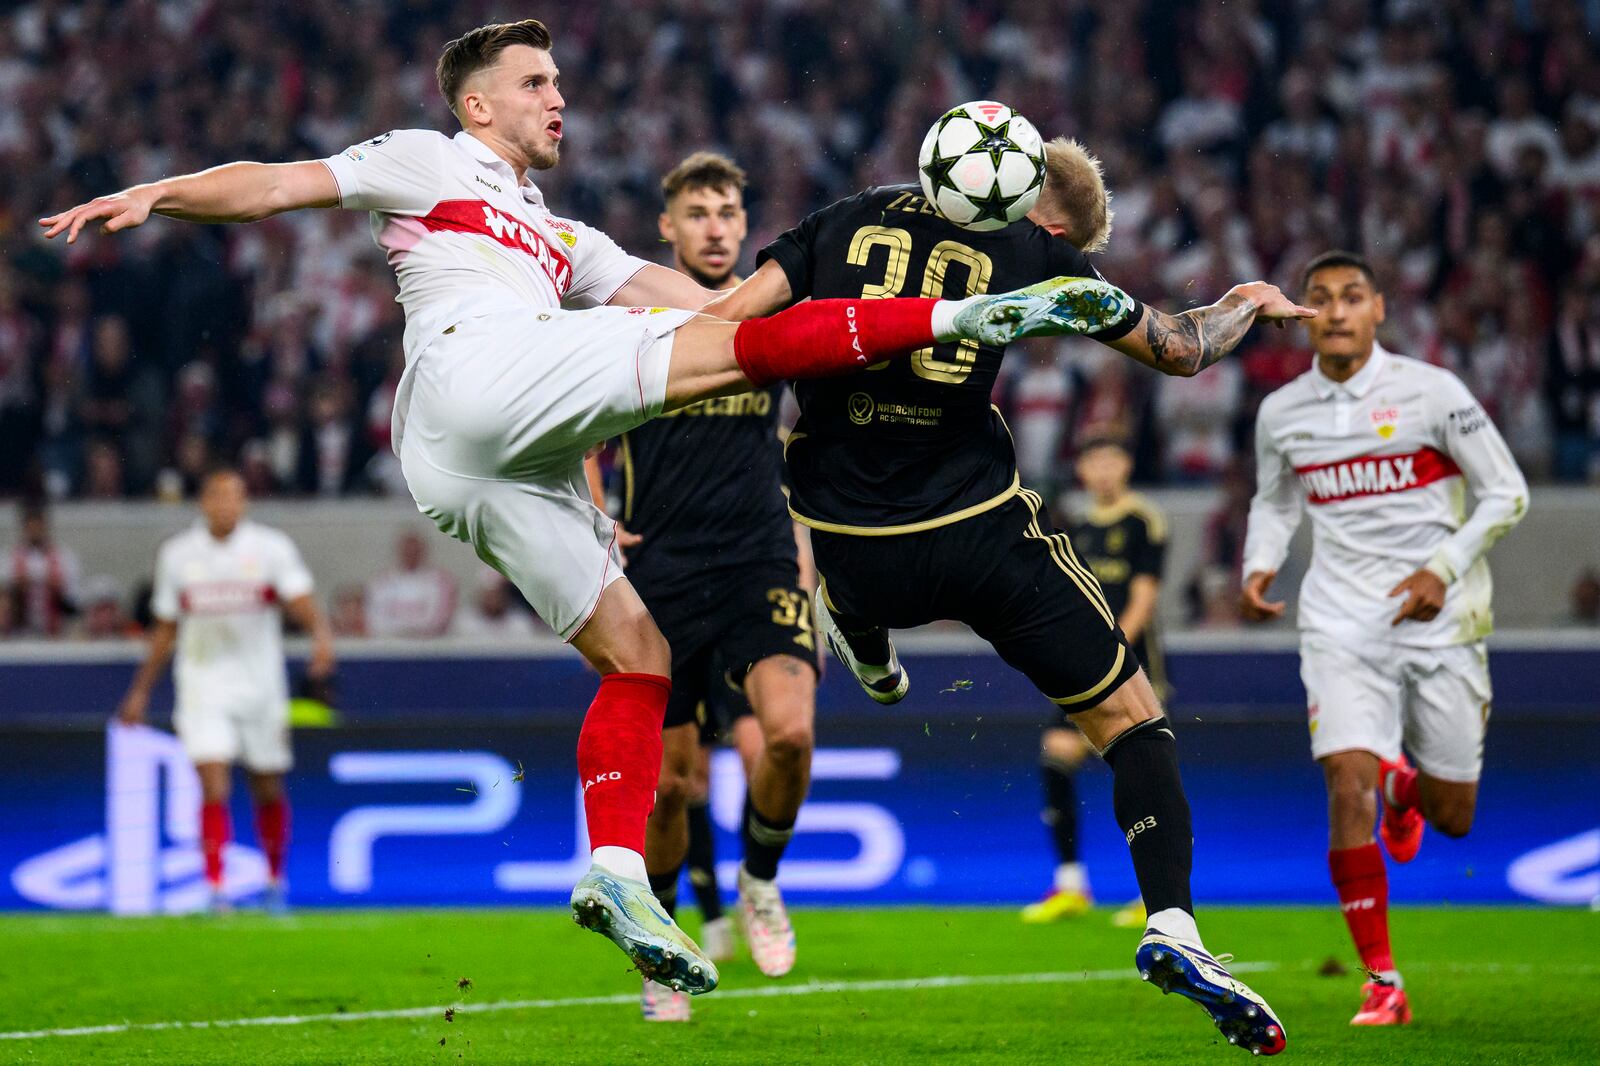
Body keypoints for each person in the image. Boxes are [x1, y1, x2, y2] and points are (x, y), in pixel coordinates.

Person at [42, 20, 1132, 995]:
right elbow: (279, 183)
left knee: (637, 653)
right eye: (535, 82)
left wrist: (807, 300)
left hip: (479, 464)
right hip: (477, 372)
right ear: (478, 105)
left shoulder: (562, 240)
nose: (557, 96)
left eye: (558, 80)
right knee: (743, 364)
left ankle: (614, 871)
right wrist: (162, 193)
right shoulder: (428, 161)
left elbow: (718, 309)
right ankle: (983, 312)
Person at [708, 136, 1313, 1055]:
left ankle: (861, 632)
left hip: (850, 536)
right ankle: (1174, 925)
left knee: (854, 560)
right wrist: (1243, 302)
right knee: (1131, 719)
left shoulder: (844, 219)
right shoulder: (1038, 257)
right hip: (980, 534)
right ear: (1043, 213)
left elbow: (731, 325)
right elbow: (1185, 349)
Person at [1241, 250, 1529, 1027]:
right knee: (1344, 783)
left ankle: (1408, 792)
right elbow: (1274, 502)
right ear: (1303, 315)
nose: (1335, 311)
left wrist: (1442, 566)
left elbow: (1508, 491)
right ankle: (1383, 980)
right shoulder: (1282, 412)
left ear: (1378, 313)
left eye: (1352, 298)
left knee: (1454, 815)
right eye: (1321, 299)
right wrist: (1261, 563)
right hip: (1338, 618)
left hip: (1442, 618)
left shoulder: (1432, 394)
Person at [586, 152, 819, 1021]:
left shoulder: (768, 308)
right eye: (699, 214)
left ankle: (759, 880)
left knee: (789, 736)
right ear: (669, 229)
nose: (716, 227)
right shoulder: (633, 317)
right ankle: (662, 945)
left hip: (760, 557)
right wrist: (596, 512)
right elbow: (581, 429)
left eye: (728, 211)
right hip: (665, 570)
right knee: (675, 784)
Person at [116, 468, 335, 913]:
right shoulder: (178, 554)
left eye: (234, 496)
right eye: (218, 496)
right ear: (204, 502)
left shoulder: (270, 547)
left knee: (267, 785)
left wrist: (321, 636)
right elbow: (165, 627)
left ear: (245, 503)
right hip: (202, 684)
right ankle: (216, 890)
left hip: (260, 685)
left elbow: (299, 597)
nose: (226, 505)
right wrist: (140, 691)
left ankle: (274, 881)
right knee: (213, 783)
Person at [1021, 435, 1166, 930]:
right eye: (1093, 460)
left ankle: (1157, 895)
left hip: (1131, 666)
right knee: (1055, 759)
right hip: (1082, 667)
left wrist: (1116, 647)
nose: (1102, 470)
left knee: (1140, 772)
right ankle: (1070, 882)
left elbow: (1144, 596)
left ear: (1126, 465)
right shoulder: (1076, 529)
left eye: (1112, 459)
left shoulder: (1143, 520)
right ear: (1081, 469)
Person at [7, 500, 81, 637]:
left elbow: (74, 604)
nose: (34, 530)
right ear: (24, 527)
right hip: (19, 633)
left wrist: (59, 589)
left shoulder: (65, 558)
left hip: (56, 632)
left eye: (38, 526)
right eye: (31, 526)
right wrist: (16, 589)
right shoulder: (9, 560)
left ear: (45, 526)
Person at [365, 529, 458, 638]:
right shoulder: (380, 582)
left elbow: (439, 621)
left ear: (423, 551)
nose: (411, 554)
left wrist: (411, 630)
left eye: (415, 550)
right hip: (389, 645)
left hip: (428, 646)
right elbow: (375, 619)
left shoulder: (441, 581)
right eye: (407, 550)